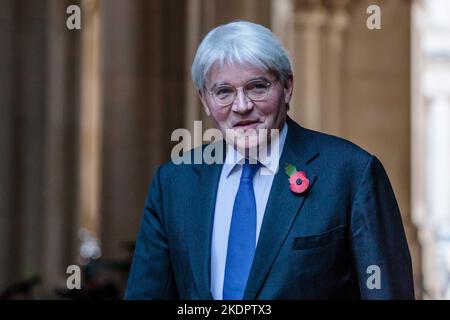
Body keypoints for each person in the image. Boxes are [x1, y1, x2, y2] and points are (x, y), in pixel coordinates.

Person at [124, 20, 414, 300]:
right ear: (204, 100)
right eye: (223, 92)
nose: (241, 106)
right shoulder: (174, 183)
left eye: (257, 87)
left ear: (287, 87)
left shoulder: (351, 173)